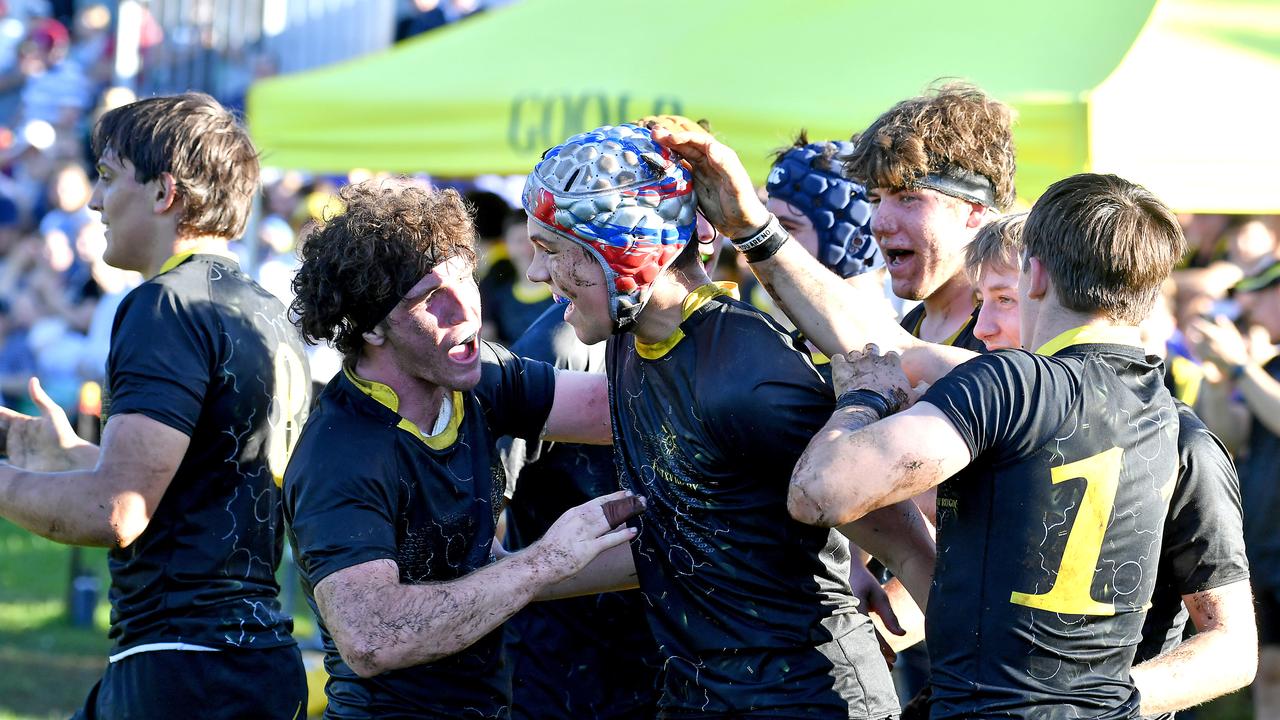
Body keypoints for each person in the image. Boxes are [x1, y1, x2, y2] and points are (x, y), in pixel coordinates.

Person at [524, 122, 935, 718]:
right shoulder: (630, 342)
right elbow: (682, 541)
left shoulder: (751, 374)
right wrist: (506, 578)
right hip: (701, 695)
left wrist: (980, 694)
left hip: (809, 701)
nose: (536, 274)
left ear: (620, 249)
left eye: (552, 250)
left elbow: (913, 552)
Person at [785, 172, 1199, 718]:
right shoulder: (1176, 424)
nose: (982, 326)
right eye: (980, 300)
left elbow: (819, 491)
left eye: (1003, 297)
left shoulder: (1013, 385)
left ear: (1038, 277)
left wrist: (860, 400)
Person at [0, 92, 311, 719]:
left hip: (182, 666)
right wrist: (69, 456)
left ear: (164, 192)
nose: (93, 200)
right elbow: (202, 484)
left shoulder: (166, 305)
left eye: (108, 178)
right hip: (254, 659)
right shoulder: (266, 310)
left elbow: (117, 511)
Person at [284, 178, 643, 719]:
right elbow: (372, 637)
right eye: (432, 298)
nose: (466, 312)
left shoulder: (478, 378)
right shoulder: (342, 453)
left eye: (465, 280)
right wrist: (543, 562)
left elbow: (620, 410)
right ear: (372, 327)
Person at [1187, 259, 1280, 719]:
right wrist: (1218, 377)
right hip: (1266, 540)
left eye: (1262, 293)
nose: (1250, 305)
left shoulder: (1259, 368)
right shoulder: (1268, 366)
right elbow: (1226, 434)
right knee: (1271, 671)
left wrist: (1242, 365)